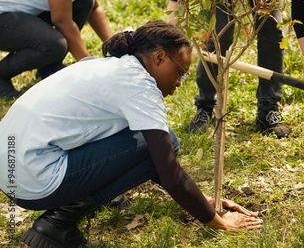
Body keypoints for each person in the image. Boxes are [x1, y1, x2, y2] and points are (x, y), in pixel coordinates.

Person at [0, 20, 263, 248]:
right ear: (159, 57)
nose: (179, 84)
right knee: (166, 140)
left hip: (10, 170)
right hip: (35, 180)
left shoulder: (108, 66)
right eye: (180, 73)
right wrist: (217, 222)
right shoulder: (139, 86)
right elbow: (168, 169)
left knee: (152, 139)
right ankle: (57, 223)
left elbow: (151, 159)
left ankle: (80, 200)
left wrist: (203, 200)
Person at [166, 0, 304, 138]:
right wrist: (168, 35)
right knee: (220, 31)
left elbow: (302, 15)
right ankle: (205, 107)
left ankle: (268, 108)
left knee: (272, 28)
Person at [0, 0, 112, 98]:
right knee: (54, 45)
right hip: (4, 16)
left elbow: (94, 8)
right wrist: (89, 68)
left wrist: (115, 47)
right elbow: (62, 21)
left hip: (20, 12)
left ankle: (48, 66)